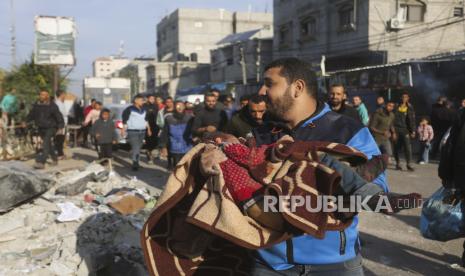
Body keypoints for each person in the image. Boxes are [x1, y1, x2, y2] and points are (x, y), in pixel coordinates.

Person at [252, 57, 388, 276]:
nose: (262, 91)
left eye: (269, 83)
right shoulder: (261, 134)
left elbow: (378, 194)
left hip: (335, 263)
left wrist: (328, 176)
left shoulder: (348, 130)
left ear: (297, 88)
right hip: (270, 263)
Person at [27, 90, 64, 169]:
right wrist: (25, 121)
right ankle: (54, 159)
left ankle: (41, 162)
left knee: (45, 144)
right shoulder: (37, 105)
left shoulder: (52, 106)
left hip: (51, 127)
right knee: (48, 145)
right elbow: (31, 115)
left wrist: (61, 126)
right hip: (41, 127)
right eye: (41, 94)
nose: (42, 96)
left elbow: (59, 116)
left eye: (44, 95)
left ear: (47, 96)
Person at [159, 101, 193, 170]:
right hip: (175, 147)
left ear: (184, 107)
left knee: (188, 167)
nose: (180, 108)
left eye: (181, 106)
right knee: (177, 167)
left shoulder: (190, 118)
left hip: (188, 146)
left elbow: (195, 130)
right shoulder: (169, 118)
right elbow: (165, 133)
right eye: (178, 106)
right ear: (174, 107)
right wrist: (163, 146)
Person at [122, 94, 152, 171]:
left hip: (142, 131)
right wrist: (123, 130)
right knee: (136, 147)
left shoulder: (144, 109)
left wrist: (148, 129)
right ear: (136, 101)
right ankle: (135, 164)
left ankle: (137, 162)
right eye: (141, 100)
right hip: (133, 132)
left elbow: (146, 120)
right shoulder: (129, 109)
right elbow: (125, 121)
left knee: (138, 147)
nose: (143, 102)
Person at [393, 92, 416, 171]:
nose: (404, 98)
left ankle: (409, 163)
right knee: (396, 147)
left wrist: (413, 131)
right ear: (400, 98)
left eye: (405, 97)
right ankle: (398, 163)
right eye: (403, 97)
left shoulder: (410, 107)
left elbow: (412, 120)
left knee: (408, 147)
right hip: (396, 129)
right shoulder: (395, 106)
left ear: (408, 98)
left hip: (405, 130)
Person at [143, 94, 159, 164]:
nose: (152, 100)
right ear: (147, 99)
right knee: (148, 142)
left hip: (155, 127)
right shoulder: (144, 106)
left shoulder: (156, 106)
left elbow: (158, 117)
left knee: (154, 142)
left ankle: (152, 155)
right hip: (147, 127)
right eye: (151, 98)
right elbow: (144, 119)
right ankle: (149, 157)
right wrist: (148, 128)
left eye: (153, 99)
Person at [54, 90, 69, 159]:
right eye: (64, 95)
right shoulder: (58, 103)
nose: (65, 96)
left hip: (63, 123)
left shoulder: (61, 103)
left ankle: (60, 153)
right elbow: (61, 114)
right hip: (60, 124)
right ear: (61, 95)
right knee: (59, 139)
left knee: (61, 138)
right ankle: (59, 154)